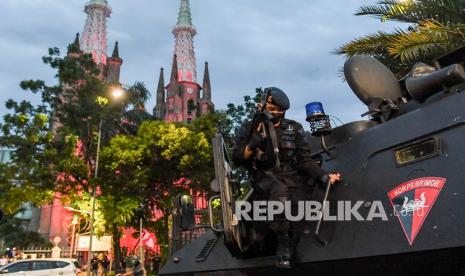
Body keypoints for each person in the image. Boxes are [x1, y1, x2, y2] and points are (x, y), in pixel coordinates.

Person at [232, 87, 342, 268]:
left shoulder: (293, 128)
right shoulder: (250, 128)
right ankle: (282, 241)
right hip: (264, 178)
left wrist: (324, 176)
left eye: (277, 112)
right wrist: (253, 141)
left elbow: (305, 160)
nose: (274, 115)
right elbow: (238, 158)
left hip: (291, 177)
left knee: (301, 208)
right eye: (270, 110)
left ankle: (293, 245)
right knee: (279, 192)